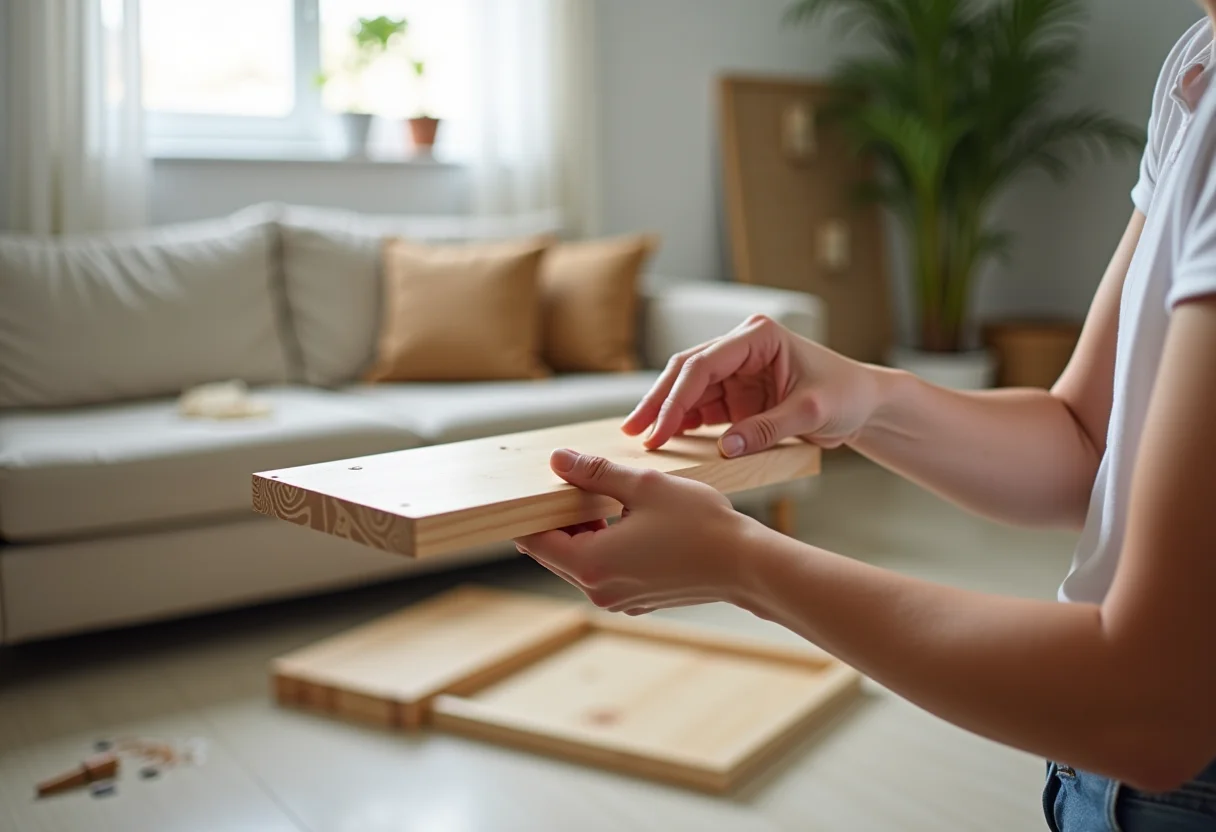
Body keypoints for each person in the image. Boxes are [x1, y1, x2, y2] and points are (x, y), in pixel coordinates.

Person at [513, 7, 1216, 832]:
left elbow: (1151, 707)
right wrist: (865, 399)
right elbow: (1091, 445)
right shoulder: (1197, 64)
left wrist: (742, 564)